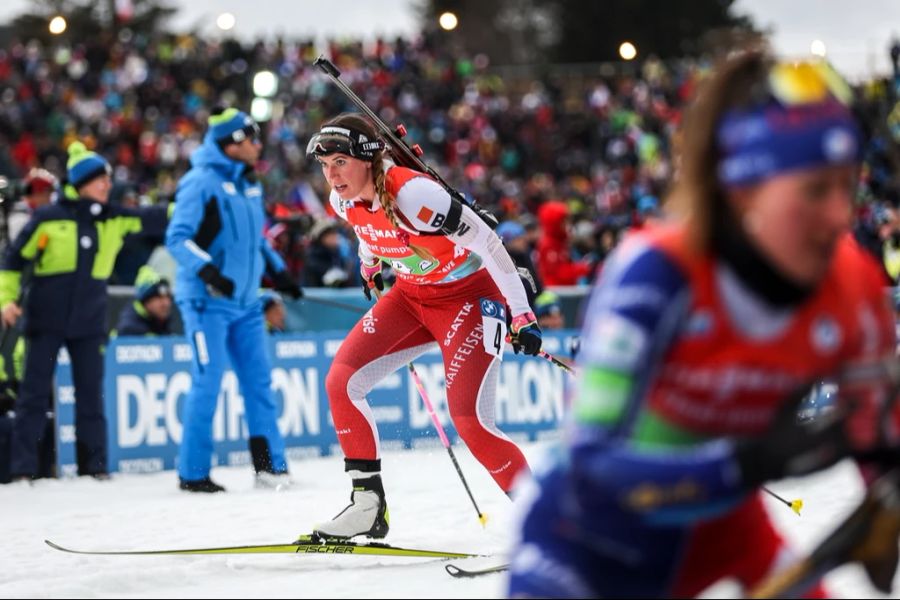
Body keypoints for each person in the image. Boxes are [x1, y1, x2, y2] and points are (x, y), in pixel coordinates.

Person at [508, 52, 898, 598]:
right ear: (743, 192)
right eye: (814, 190)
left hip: (723, 532)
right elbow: (591, 466)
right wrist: (742, 465)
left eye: (848, 186)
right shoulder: (656, 275)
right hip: (587, 545)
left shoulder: (853, 283)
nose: (840, 215)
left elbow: (880, 444)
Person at [305, 113, 542, 540]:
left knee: (470, 418)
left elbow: (488, 241)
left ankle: (548, 524)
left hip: (469, 298)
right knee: (342, 380)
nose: (331, 174)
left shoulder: (412, 195)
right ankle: (367, 506)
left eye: (340, 161)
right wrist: (370, 263)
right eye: (324, 165)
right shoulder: (340, 198)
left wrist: (522, 313)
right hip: (412, 296)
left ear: (367, 158)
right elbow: (365, 229)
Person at [0, 141, 168, 481]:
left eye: (107, 179)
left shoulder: (114, 218)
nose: (107, 185)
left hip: (89, 325)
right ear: (80, 185)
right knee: (32, 398)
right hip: (45, 323)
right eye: (99, 180)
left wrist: (195, 207)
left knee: (91, 396)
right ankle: (23, 471)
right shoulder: (47, 219)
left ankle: (95, 468)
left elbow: (155, 218)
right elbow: (13, 263)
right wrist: (6, 299)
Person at [166, 107, 303, 493]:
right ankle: (192, 473)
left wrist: (281, 273)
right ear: (233, 142)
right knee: (207, 383)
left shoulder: (249, 183)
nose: (258, 145)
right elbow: (178, 238)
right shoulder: (199, 182)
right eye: (252, 138)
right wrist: (210, 273)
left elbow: (256, 240)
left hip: (246, 304)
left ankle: (270, 467)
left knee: (259, 383)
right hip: (206, 302)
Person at [115, 265, 174, 336]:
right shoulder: (128, 331)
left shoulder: (163, 324)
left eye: (168, 297)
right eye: (159, 298)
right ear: (146, 301)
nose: (166, 303)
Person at [7, 168, 58, 243]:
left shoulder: (53, 212)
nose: (50, 197)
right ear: (35, 195)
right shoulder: (20, 218)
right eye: (47, 193)